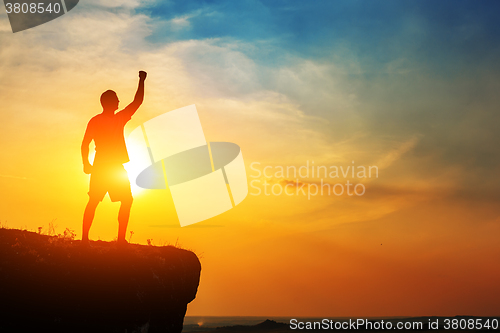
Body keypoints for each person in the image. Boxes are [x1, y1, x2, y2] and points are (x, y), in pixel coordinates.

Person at [81, 71, 147, 245]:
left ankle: (99, 239)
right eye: (116, 99)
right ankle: (113, 239)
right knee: (104, 201)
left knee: (101, 201)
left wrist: (86, 163)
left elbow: (84, 144)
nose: (119, 101)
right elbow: (137, 102)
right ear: (109, 102)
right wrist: (141, 80)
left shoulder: (100, 120)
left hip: (106, 167)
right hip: (109, 167)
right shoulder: (115, 119)